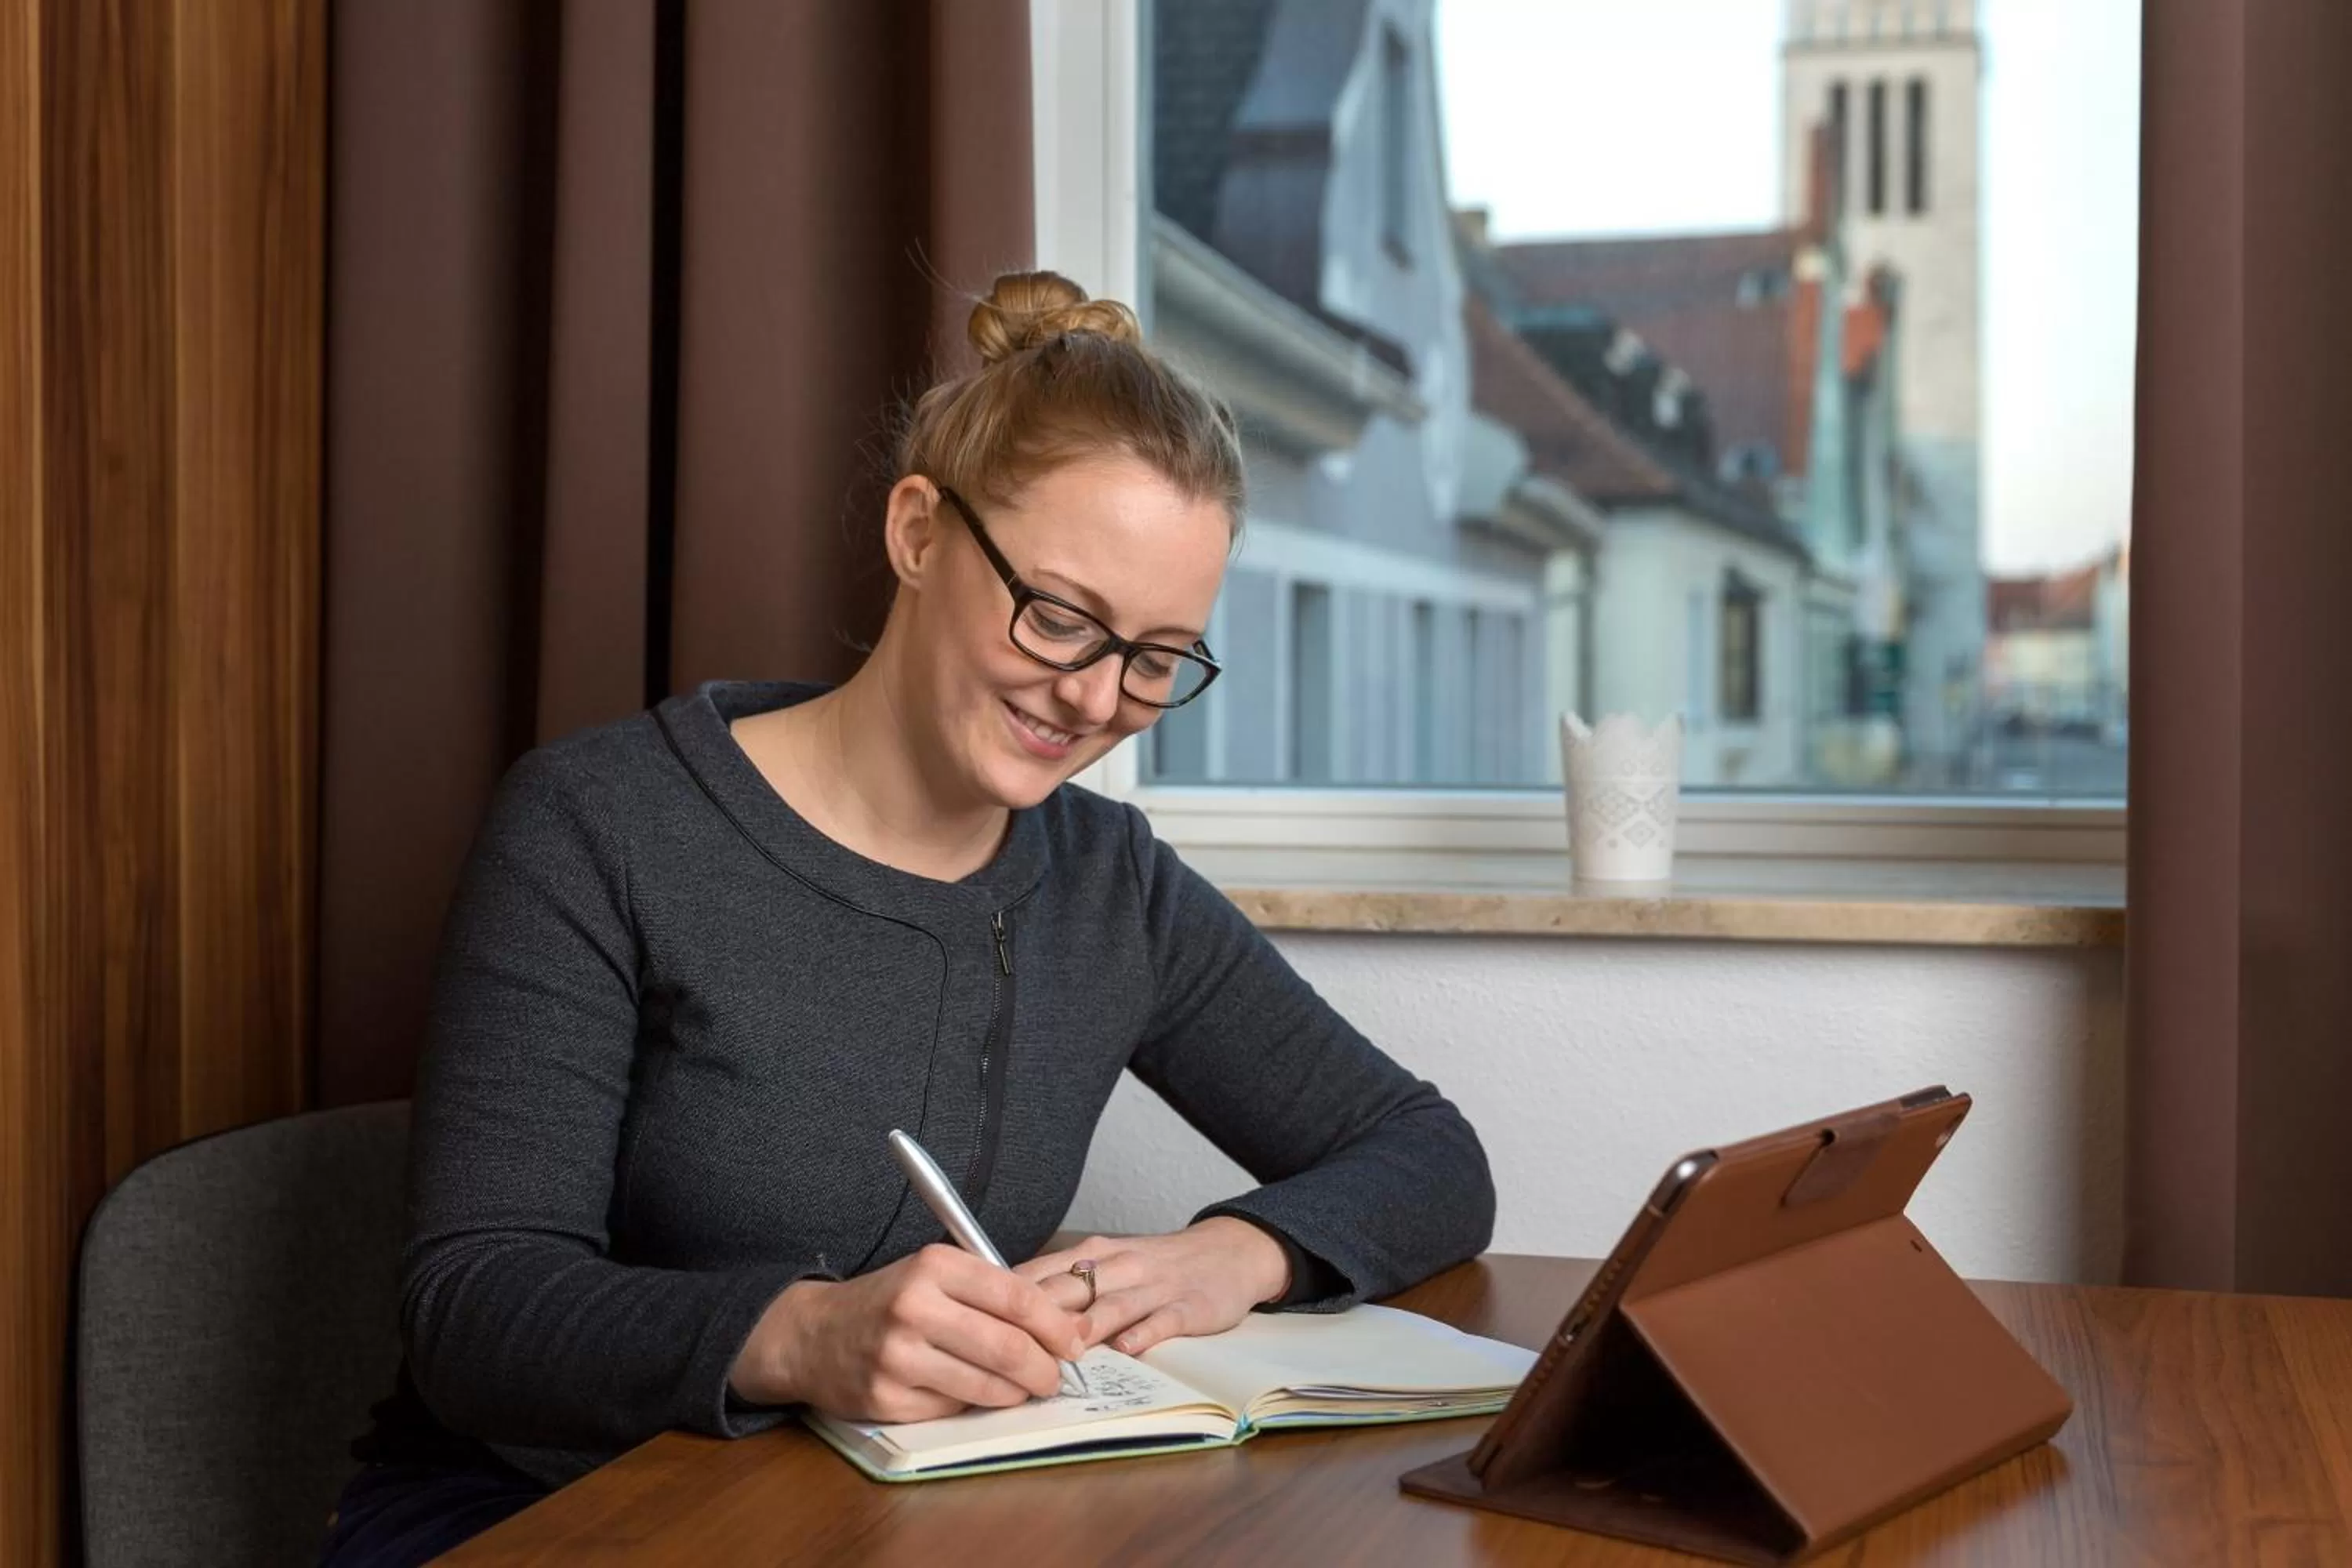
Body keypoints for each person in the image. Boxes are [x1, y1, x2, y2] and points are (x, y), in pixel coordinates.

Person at [320, 270, 1495, 1566]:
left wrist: (1240, 1252)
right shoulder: (602, 827)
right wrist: (802, 1336)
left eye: (1157, 658)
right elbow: (474, 1309)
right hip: (546, 1509)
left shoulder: (1110, 882)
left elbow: (1429, 1154)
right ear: (921, 533)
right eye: (1060, 618)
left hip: (877, 1515)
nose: (1097, 698)